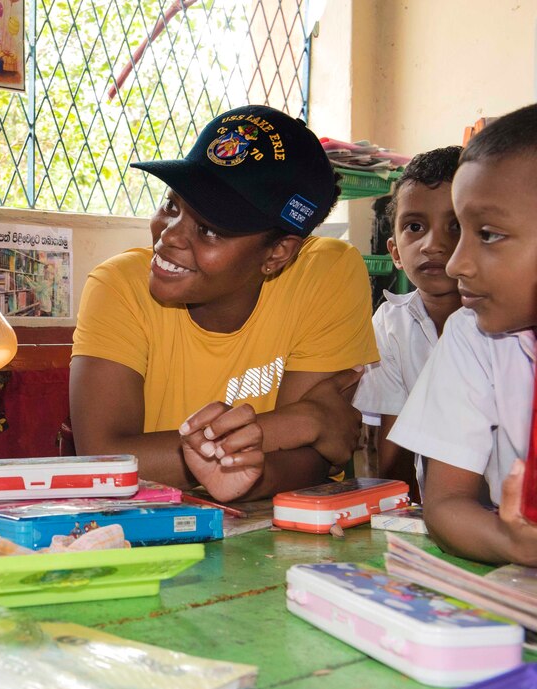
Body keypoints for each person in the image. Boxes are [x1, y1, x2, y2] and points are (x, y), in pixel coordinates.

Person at [71, 105, 378, 502]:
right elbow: (103, 460)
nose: (169, 236)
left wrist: (247, 476)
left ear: (277, 254)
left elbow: (315, 461)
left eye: (210, 229)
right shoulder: (118, 285)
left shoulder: (326, 274)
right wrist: (300, 422)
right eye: (172, 205)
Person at [389, 104, 537, 565]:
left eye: (488, 234)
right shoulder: (473, 335)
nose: (456, 263)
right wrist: (511, 543)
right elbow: (445, 505)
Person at [353, 146, 463, 499]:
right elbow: (393, 453)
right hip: (438, 513)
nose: (433, 245)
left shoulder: (511, 324)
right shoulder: (390, 325)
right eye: (415, 227)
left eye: (456, 226)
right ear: (395, 252)